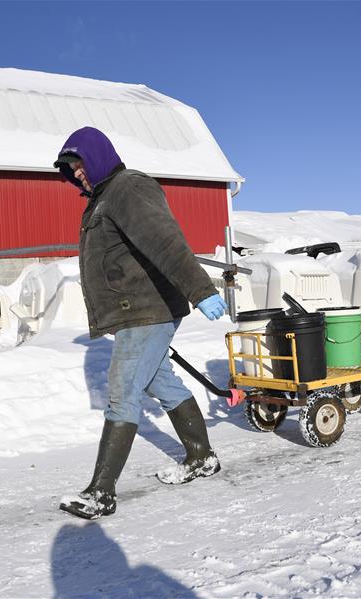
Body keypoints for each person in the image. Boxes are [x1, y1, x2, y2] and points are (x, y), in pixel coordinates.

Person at [53, 126, 228, 520]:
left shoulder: (128, 187)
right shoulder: (103, 198)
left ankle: (102, 492)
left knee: (123, 391)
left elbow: (164, 239)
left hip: (148, 310)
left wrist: (201, 290)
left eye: (80, 163)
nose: (77, 173)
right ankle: (202, 456)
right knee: (159, 381)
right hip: (137, 310)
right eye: (71, 168)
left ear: (98, 155)